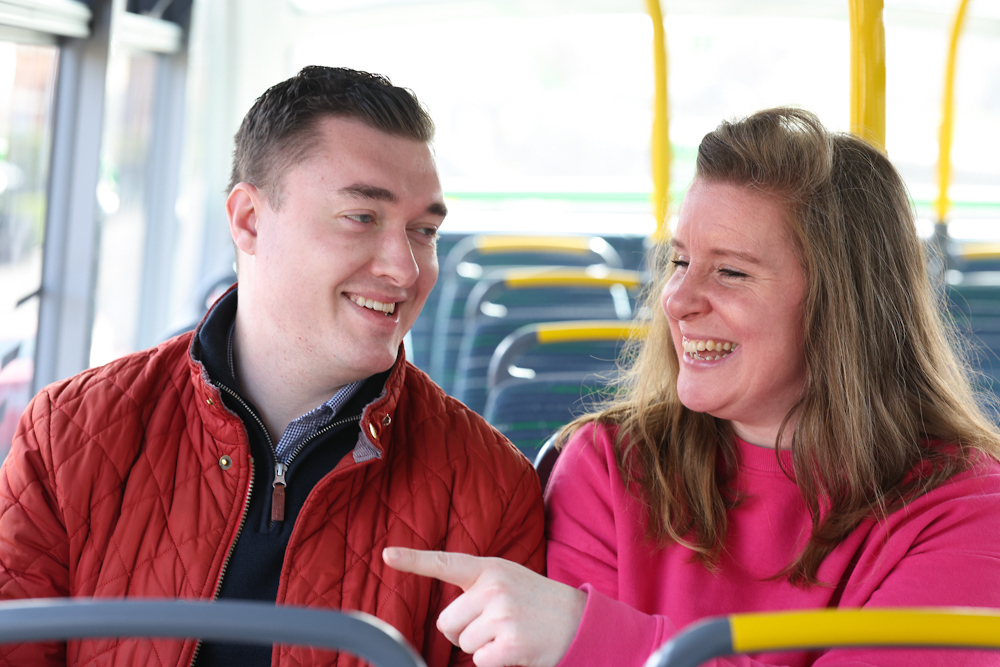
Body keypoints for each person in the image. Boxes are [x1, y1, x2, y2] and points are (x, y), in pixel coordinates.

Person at [385, 108, 1000, 666]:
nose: (676, 301)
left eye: (730, 272)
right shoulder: (611, 467)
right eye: (680, 262)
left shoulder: (964, 508)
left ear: (844, 308)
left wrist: (591, 635)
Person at [0, 66, 545, 666]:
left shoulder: (491, 487)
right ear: (249, 221)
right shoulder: (69, 436)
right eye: (362, 217)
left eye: (424, 231)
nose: (406, 270)